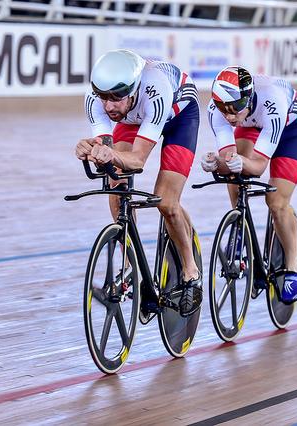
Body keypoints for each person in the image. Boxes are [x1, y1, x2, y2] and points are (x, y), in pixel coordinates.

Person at [74, 49, 202, 314]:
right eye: (103, 98)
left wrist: (112, 155)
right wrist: (92, 150)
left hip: (179, 117)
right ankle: (131, 264)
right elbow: (107, 150)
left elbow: (138, 160)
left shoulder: (155, 88)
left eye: (116, 98)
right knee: (115, 182)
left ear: (132, 90)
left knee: (166, 202)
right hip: (135, 118)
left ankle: (191, 271)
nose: (109, 106)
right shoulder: (97, 100)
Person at [201, 66, 297, 304]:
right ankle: (240, 226)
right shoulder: (218, 109)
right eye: (224, 110)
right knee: (233, 167)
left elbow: (259, 166)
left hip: (290, 127)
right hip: (252, 124)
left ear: (248, 98)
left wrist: (239, 162)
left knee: (277, 202)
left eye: (234, 109)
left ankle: (293, 265)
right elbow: (229, 158)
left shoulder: (273, 102)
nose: (229, 117)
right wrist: (215, 163)